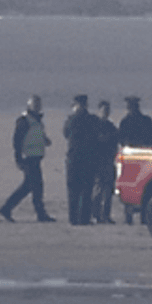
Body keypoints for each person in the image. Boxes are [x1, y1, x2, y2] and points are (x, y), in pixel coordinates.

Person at [0, 94, 54, 222]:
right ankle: (39, 213)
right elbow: (17, 140)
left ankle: (7, 209)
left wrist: (45, 140)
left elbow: (37, 135)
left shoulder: (37, 120)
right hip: (27, 158)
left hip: (36, 157)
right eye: (35, 104)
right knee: (35, 186)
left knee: (30, 186)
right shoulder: (24, 120)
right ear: (29, 105)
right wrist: (18, 158)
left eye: (39, 104)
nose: (37, 106)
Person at [117, 96, 152, 223]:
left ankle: (138, 216)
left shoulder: (144, 121)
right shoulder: (128, 122)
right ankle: (132, 216)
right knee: (134, 186)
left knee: (140, 186)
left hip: (139, 158)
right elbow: (121, 139)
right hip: (134, 158)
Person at [62, 95, 95, 225]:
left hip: (77, 158)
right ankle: (82, 218)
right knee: (83, 190)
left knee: (77, 190)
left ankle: (75, 218)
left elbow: (65, 133)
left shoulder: (73, 119)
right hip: (83, 158)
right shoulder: (90, 119)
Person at [92, 99, 120, 224]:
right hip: (98, 162)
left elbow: (116, 142)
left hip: (109, 161)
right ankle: (96, 214)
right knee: (98, 190)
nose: (106, 112)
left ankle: (106, 215)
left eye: (108, 110)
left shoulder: (111, 126)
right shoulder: (95, 125)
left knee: (108, 191)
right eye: (104, 110)